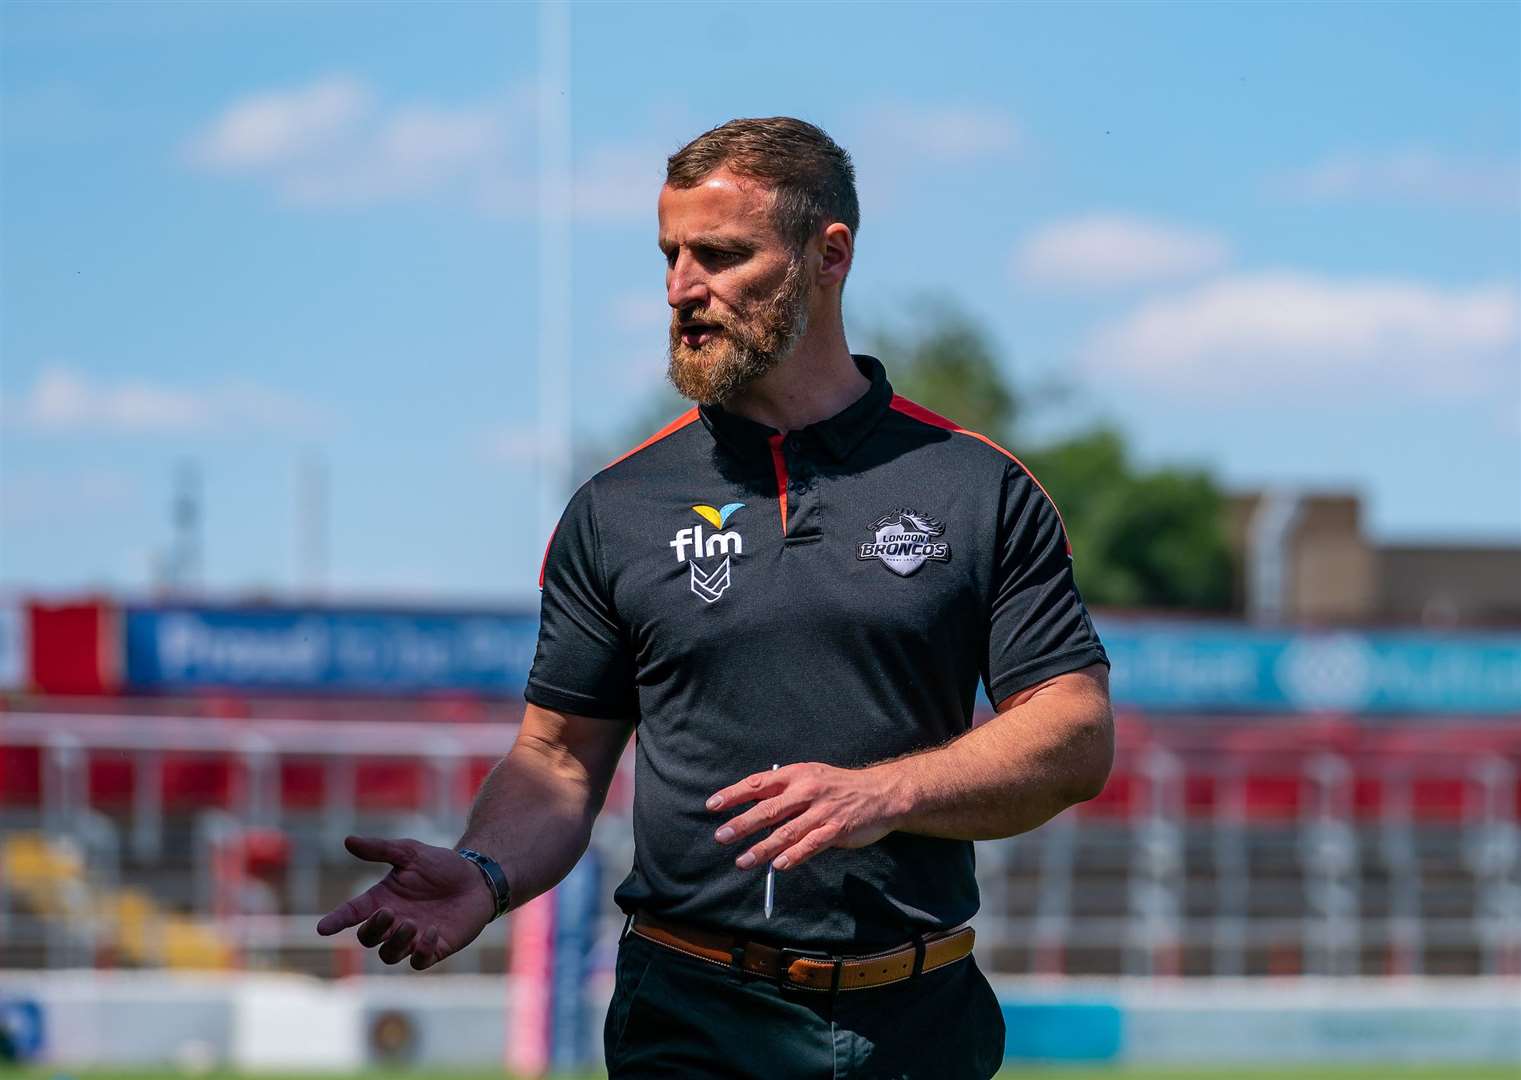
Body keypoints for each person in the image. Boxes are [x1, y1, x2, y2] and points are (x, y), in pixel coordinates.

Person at [318, 117, 1113, 1079]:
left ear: (830, 256)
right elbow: (558, 761)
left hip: (921, 1024)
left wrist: (885, 792)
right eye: (671, 255)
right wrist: (485, 873)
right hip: (691, 1020)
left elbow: (1071, 733)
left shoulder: (978, 487)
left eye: (723, 255)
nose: (682, 288)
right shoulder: (616, 508)